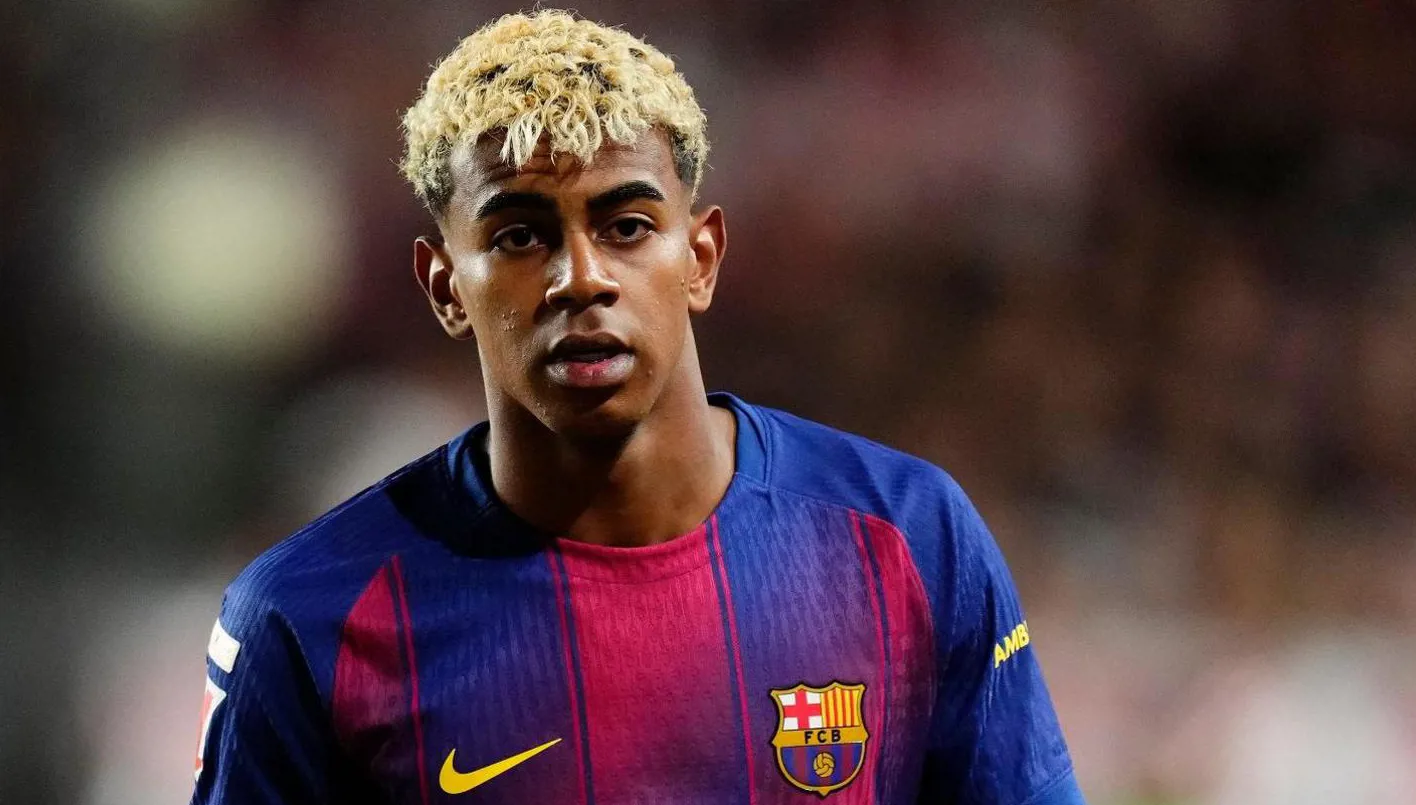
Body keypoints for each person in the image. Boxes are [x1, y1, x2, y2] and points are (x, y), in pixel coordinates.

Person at [190, 10, 1085, 804]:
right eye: (519, 236)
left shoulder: (908, 538)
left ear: (701, 257)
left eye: (626, 227)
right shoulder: (307, 619)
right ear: (445, 286)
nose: (581, 278)